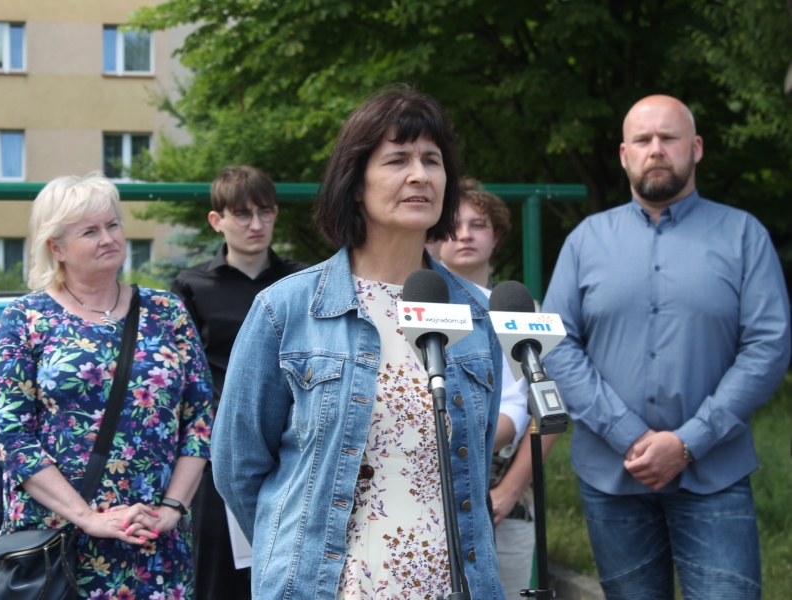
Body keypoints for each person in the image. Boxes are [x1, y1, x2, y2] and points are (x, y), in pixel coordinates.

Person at [211, 86, 506, 599]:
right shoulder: (287, 309)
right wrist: (292, 552)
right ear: (355, 183)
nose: (420, 175)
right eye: (397, 159)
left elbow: (474, 468)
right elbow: (238, 466)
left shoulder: (474, 314)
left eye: (432, 160)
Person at [543, 95, 791, 599]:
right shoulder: (586, 240)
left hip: (715, 474)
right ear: (624, 154)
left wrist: (689, 442)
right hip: (612, 478)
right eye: (643, 139)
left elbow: (768, 346)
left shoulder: (743, 235)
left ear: (695, 148)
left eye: (669, 137)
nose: (656, 149)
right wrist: (628, 435)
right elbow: (557, 343)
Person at [0, 174, 214, 599]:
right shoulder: (26, 318)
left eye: (113, 225)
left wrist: (172, 507)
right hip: (59, 544)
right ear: (56, 247)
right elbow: (11, 435)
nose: (108, 238)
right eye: (90, 231)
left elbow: (200, 419)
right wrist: (87, 517)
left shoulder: (167, 312)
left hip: (153, 540)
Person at [171, 165, 307, 599]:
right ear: (217, 220)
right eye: (242, 214)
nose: (256, 224)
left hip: (294, 447)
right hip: (221, 454)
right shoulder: (191, 286)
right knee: (218, 578)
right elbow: (183, 379)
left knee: (292, 569)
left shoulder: (302, 282)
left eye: (265, 212)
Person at [440, 181, 556, 599]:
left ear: (497, 235)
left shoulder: (525, 310)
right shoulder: (418, 309)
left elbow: (547, 411)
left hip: (504, 503)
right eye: (454, 225)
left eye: (478, 224)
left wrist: (507, 493)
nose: (465, 235)